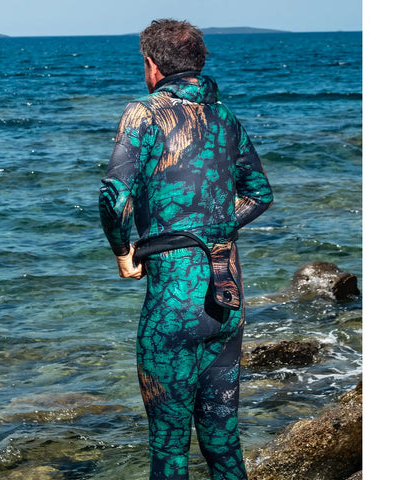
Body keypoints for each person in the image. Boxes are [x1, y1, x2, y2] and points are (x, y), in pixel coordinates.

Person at [99, 19, 273, 480]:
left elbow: (113, 197)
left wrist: (124, 252)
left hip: (174, 305)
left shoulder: (144, 113)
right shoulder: (225, 117)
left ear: (152, 65)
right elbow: (259, 194)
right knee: (223, 441)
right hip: (227, 296)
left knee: (170, 448)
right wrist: (214, 229)